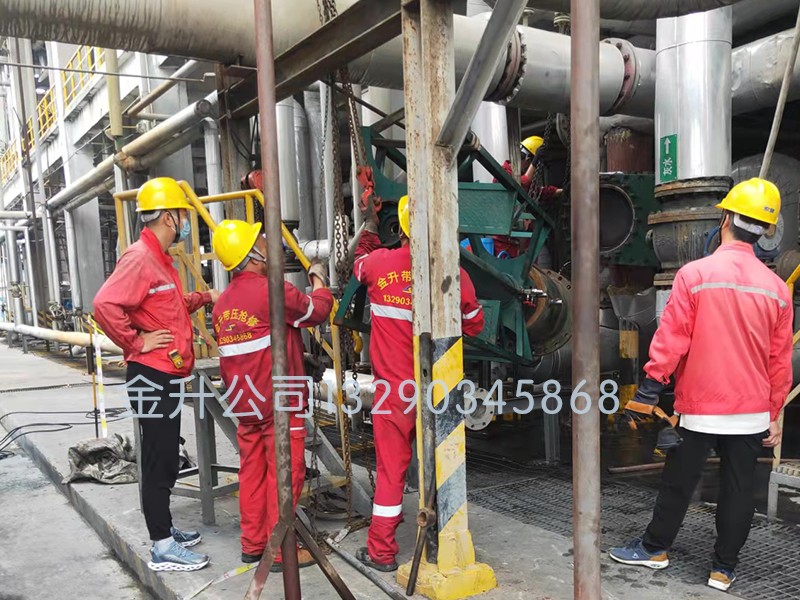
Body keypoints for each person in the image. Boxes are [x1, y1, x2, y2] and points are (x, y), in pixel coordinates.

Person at [608, 178, 794, 593]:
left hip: (701, 407)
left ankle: (655, 549)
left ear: (725, 218)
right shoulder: (778, 290)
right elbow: (779, 362)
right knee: (739, 490)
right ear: (765, 231)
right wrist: (774, 413)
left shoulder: (695, 275)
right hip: (751, 412)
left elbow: (672, 339)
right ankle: (723, 570)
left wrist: (649, 389)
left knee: (679, 480)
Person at [353, 195, 485, 571]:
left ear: (402, 229)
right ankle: (446, 545)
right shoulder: (453, 272)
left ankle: (381, 551)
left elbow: (357, 264)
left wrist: (369, 225)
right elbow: (475, 324)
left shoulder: (378, 264)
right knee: (442, 468)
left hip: (393, 394)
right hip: (438, 393)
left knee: (391, 473)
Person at [93, 177, 219, 572]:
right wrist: (136, 342)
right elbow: (104, 305)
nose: (186, 221)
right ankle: (162, 546)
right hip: (151, 374)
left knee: (164, 456)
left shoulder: (160, 259)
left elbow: (169, 306)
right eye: (183, 213)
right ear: (169, 217)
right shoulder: (139, 258)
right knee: (159, 459)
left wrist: (206, 297)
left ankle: (164, 528)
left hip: (165, 374)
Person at [210, 220, 332, 570]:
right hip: (279, 402)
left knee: (252, 473)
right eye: (262, 241)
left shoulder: (222, 306)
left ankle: (252, 545)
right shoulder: (272, 291)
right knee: (285, 475)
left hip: (245, 404)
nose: (268, 243)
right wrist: (319, 281)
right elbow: (315, 311)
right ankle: (279, 551)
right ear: (252, 255)